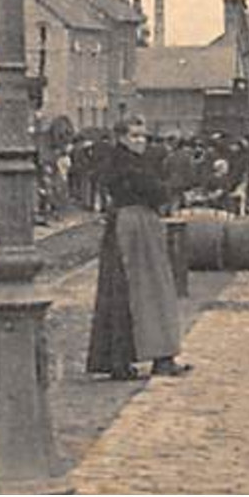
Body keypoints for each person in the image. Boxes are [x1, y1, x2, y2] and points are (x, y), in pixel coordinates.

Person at [86, 117, 190, 381]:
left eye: (143, 136)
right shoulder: (129, 166)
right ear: (121, 138)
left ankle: (121, 359)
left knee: (123, 289)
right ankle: (160, 356)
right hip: (136, 226)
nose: (140, 141)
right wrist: (168, 188)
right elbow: (156, 191)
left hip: (127, 224)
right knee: (150, 288)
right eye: (134, 136)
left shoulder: (120, 162)